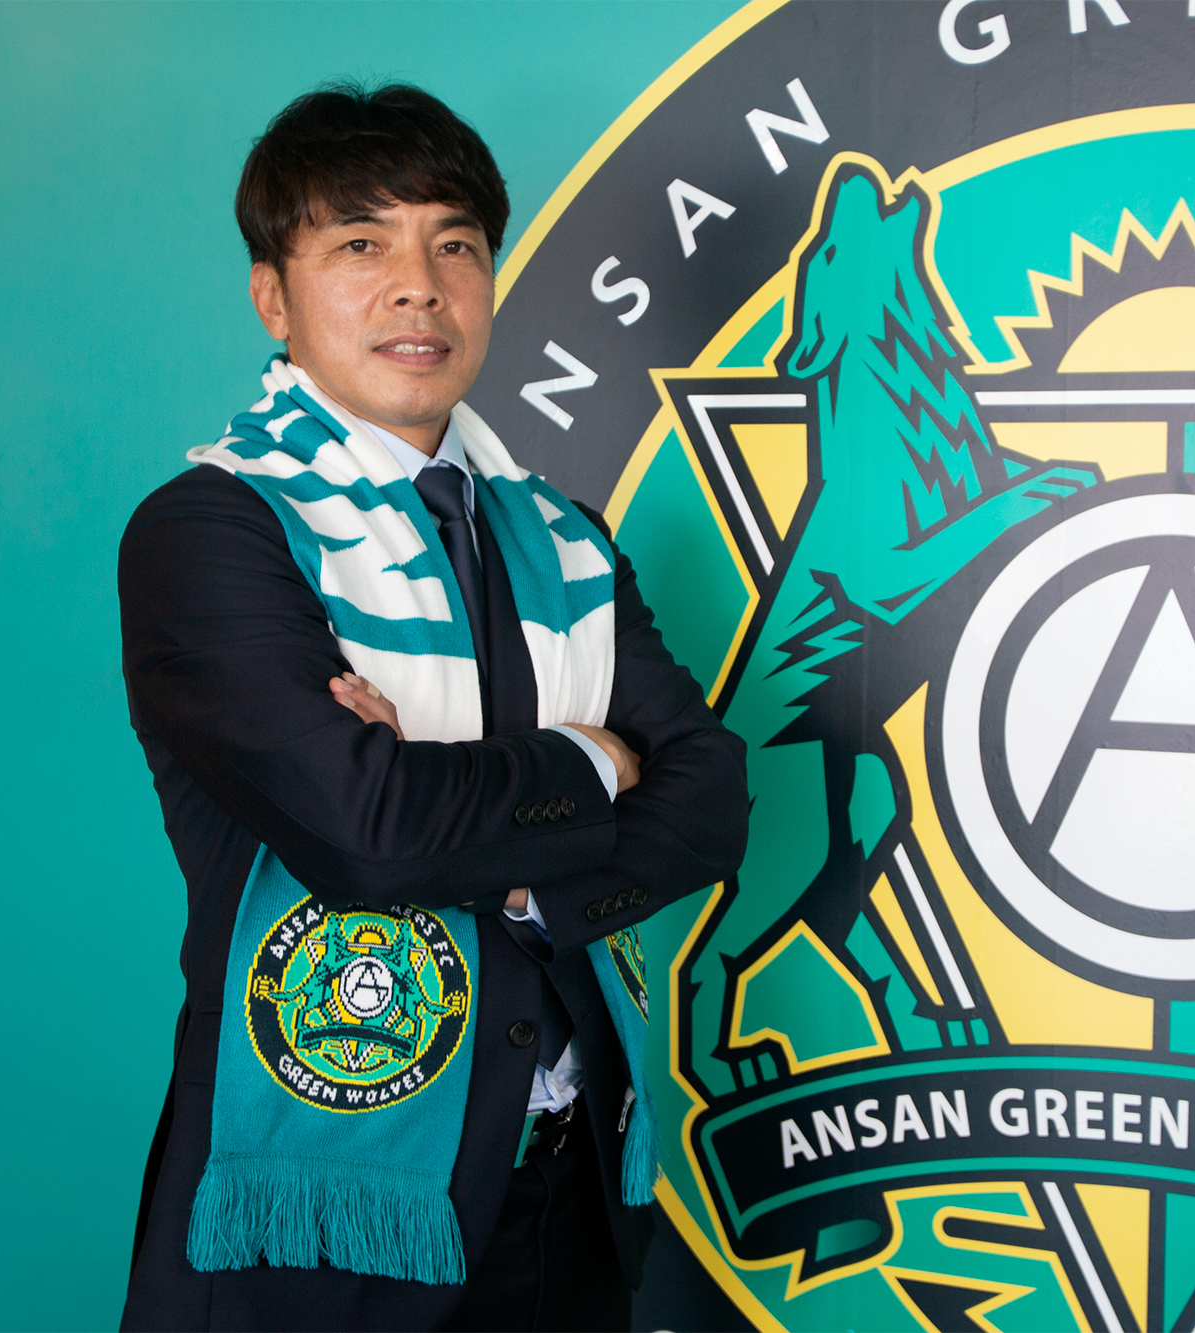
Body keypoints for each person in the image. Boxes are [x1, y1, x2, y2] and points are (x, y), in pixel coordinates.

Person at [115, 83, 748, 1333]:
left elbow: (710, 802)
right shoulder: (213, 530)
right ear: (272, 297)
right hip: (326, 1211)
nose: (419, 287)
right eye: (361, 244)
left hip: (568, 1187)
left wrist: (521, 890)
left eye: (454, 246)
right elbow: (370, 833)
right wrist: (588, 756)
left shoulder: (562, 538)